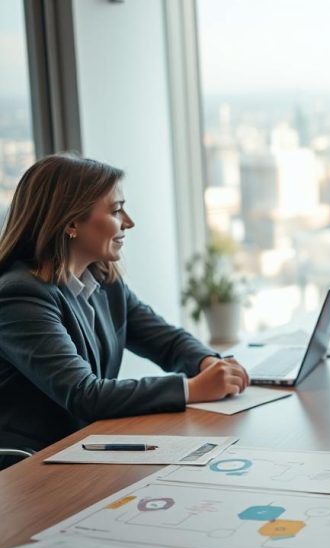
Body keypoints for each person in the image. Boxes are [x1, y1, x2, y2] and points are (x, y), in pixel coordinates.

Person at [0, 154, 250, 467]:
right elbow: (84, 395)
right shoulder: (19, 296)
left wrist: (208, 363)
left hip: (84, 450)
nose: (128, 222)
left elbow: (166, 340)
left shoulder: (103, 281)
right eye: (117, 210)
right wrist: (192, 388)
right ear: (71, 223)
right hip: (33, 469)